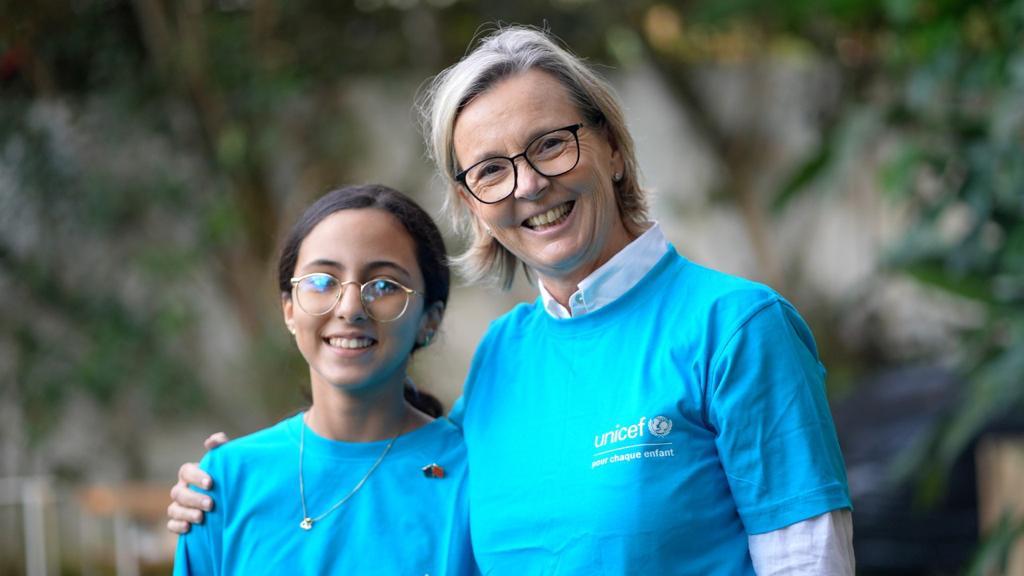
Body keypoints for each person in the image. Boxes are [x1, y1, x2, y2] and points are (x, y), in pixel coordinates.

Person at [169, 26, 854, 574]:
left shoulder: (734, 329)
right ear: (472, 204)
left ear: (612, 148)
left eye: (550, 146)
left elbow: (807, 562)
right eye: (491, 170)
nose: (528, 185)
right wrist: (240, 479)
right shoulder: (504, 354)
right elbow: (399, 462)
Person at [172, 184, 476, 575]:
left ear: (429, 321)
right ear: (289, 310)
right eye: (322, 281)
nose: (350, 308)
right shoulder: (225, 482)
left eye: (384, 285)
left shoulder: (472, 473)